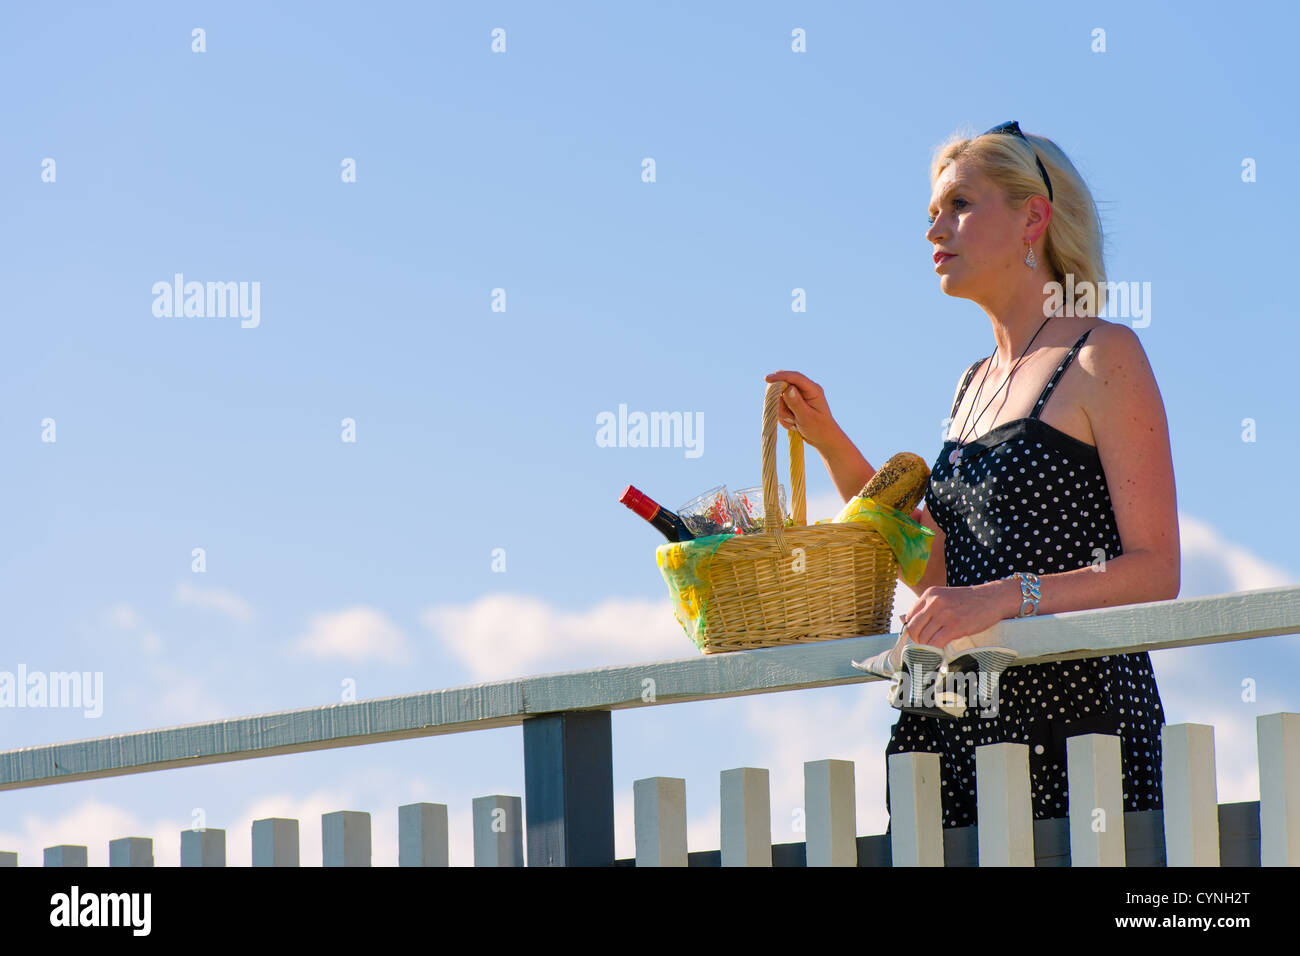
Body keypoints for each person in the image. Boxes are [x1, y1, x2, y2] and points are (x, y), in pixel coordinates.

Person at [765, 120, 1179, 831]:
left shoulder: (1102, 354)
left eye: (959, 205)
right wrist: (831, 443)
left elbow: (1156, 571)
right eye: (931, 213)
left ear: (1032, 218)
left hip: (1072, 719)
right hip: (952, 720)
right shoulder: (970, 385)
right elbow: (938, 573)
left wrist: (1001, 599)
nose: (935, 231)